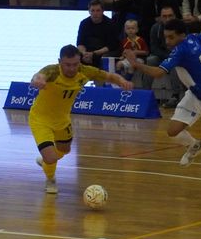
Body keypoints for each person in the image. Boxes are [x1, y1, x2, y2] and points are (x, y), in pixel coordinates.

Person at [125, 19, 201, 185]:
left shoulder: (181, 51)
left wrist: (134, 64)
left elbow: (158, 73)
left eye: (171, 37)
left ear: (182, 35)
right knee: (173, 130)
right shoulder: (194, 37)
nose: (167, 41)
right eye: (166, 37)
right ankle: (194, 145)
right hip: (195, 94)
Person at [31, 44, 132, 193]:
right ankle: (50, 179)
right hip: (40, 119)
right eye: (67, 65)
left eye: (75, 64)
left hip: (62, 119)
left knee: (65, 150)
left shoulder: (85, 71)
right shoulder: (52, 71)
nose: (72, 68)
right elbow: (38, 76)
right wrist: (37, 81)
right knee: (51, 157)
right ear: (60, 61)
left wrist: (121, 81)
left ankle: (46, 161)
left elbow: (109, 76)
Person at [76, 0, 120, 73]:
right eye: (92, 10)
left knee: (104, 57)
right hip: (87, 52)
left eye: (98, 10)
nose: (95, 13)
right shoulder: (84, 23)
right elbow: (80, 43)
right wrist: (84, 54)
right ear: (89, 11)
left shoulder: (110, 24)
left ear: (103, 11)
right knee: (74, 55)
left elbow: (111, 46)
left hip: (103, 52)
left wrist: (93, 54)